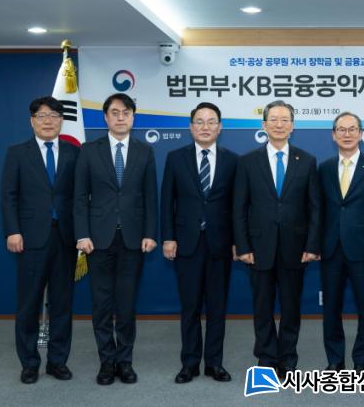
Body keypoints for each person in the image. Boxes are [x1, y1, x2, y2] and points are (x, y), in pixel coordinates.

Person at [233, 100, 321, 379]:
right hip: (258, 247)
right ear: (264, 125)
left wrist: (312, 245)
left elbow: (315, 208)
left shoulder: (307, 160)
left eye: (285, 120)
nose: (279, 124)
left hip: (296, 247)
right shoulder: (248, 161)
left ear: (293, 126)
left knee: (291, 306)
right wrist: (242, 245)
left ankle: (288, 357)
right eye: (274, 119)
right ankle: (267, 356)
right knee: (262, 306)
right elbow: (238, 208)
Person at [74, 93, 157, 385]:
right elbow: (79, 197)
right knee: (101, 304)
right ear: (105, 117)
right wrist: (82, 234)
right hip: (97, 240)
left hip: (133, 239)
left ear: (133, 117)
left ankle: (125, 362)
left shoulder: (144, 151)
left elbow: (150, 197)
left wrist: (150, 233)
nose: (120, 117)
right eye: (115, 112)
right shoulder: (89, 150)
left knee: (126, 304)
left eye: (126, 113)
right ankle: (106, 362)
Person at [1, 96, 80, 384]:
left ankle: (57, 362)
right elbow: (9, 195)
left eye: (54, 116)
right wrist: (12, 230)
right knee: (29, 304)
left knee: (62, 304)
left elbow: (81, 195)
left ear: (62, 121)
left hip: (66, 238)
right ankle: (29, 363)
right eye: (42, 116)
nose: (48, 121)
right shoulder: (17, 153)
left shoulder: (74, 153)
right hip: (30, 238)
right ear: (32, 121)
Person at [160, 102, 238, 384]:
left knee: (217, 308)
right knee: (190, 307)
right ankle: (190, 363)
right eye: (200, 122)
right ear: (191, 127)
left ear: (220, 127)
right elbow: (167, 201)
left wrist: (238, 242)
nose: (205, 127)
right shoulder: (175, 158)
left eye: (211, 121)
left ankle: (214, 363)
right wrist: (168, 237)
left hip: (220, 243)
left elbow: (238, 205)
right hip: (186, 243)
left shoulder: (232, 160)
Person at [318, 112, 364, 373]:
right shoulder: (324, 168)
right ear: (333, 135)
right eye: (341, 129)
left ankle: (361, 361)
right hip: (331, 248)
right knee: (330, 308)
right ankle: (335, 360)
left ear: (360, 133)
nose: (347, 134)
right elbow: (318, 210)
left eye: (352, 129)